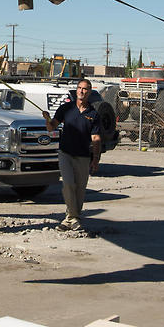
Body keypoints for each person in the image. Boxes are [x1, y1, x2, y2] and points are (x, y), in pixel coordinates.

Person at [43, 79, 103, 232]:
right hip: (65, 154)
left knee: (80, 190)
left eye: (85, 89)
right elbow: (51, 128)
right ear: (76, 90)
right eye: (79, 88)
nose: (82, 91)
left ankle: (70, 219)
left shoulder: (93, 114)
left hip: (83, 156)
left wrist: (96, 159)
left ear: (89, 92)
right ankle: (73, 218)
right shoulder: (66, 108)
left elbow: (96, 138)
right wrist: (47, 119)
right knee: (68, 184)